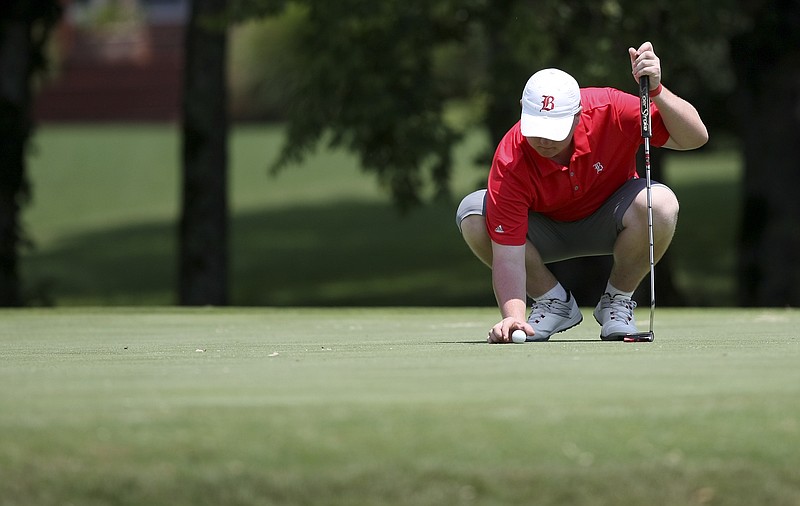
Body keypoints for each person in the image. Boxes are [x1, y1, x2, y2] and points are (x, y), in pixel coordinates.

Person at [455, 42, 708, 344]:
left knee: (661, 203)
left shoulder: (610, 110)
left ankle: (617, 302)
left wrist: (656, 91)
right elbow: (508, 257)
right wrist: (513, 316)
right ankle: (552, 303)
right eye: (536, 128)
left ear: (578, 115)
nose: (544, 140)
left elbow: (695, 137)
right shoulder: (511, 157)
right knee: (473, 212)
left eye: (556, 129)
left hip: (612, 220)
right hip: (544, 232)